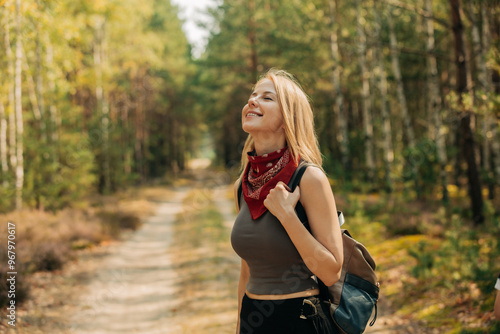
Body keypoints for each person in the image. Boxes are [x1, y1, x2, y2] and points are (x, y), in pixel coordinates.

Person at [230, 69, 344, 334]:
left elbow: (331, 272)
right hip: (253, 318)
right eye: (252, 95)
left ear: (287, 119)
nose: (252, 101)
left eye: (267, 98)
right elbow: (247, 270)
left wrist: (288, 216)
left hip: (300, 320)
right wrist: (239, 325)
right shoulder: (243, 185)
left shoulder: (308, 178)